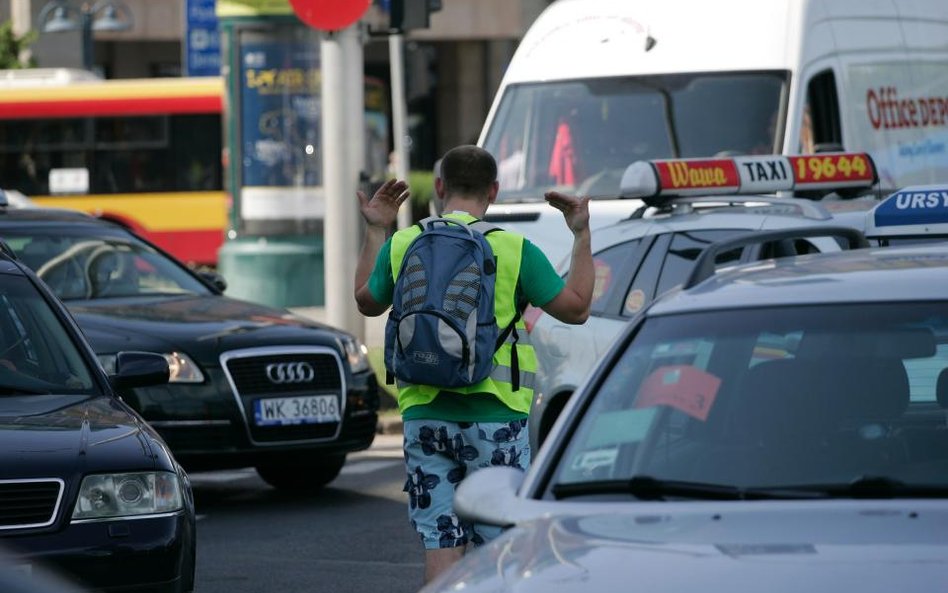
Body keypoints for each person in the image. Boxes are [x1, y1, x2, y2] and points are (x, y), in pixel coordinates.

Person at [353, 145, 594, 584]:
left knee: (439, 547)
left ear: (440, 187)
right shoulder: (515, 250)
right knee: (496, 556)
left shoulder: (404, 242)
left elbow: (366, 302)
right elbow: (577, 309)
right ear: (494, 191)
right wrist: (580, 234)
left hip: (425, 415)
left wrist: (376, 231)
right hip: (496, 419)